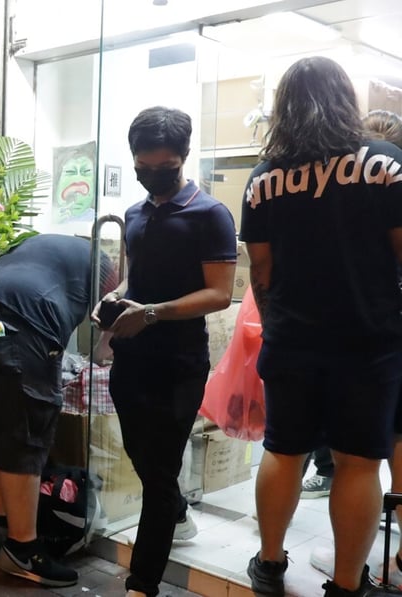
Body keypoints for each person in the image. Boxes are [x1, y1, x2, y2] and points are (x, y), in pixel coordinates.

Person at [240, 57, 402, 597]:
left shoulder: (262, 181)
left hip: (291, 341)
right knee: (359, 464)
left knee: (283, 451)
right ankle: (347, 585)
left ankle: (268, 564)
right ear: (344, 100)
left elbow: (261, 273)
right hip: (368, 342)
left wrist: (283, 324)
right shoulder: (387, 164)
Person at [91, 106, 237, 597]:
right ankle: (176, 510)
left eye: (163, 167)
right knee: (145, 460)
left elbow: (219, 293)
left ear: (183, 157)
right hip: (131, 361)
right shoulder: (136, 213)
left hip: (178, 365)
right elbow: (137, 278)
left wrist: (150, 313)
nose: (152, 176)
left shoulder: (211, 214)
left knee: (158, 474)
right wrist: (114, 300)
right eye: (142, 167)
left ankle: (142, 583)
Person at [0, 233, 116, 588]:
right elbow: (107, 333)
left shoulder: (43, 246)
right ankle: (23, 549)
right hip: (23, 320)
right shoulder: (106, 266)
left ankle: (3, 522)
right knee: (26, 431)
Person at [307, 108, 402, 585]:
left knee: (358, 461)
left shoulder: (358, 191)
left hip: (375, 340)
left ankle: (349, 572)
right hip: (383, 336)